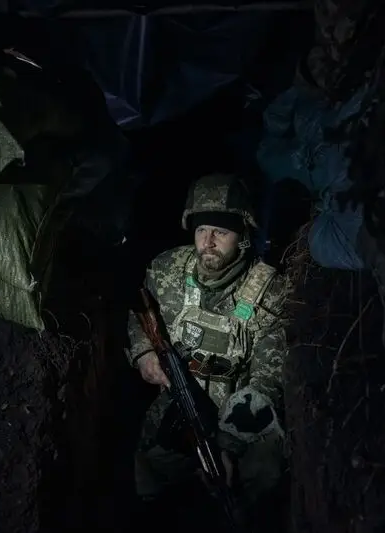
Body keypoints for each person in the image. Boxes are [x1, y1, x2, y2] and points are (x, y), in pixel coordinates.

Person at [126, 173, 290, 525]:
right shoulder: (168, 269)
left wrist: (227, 447)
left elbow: (268, 381)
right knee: (148, 472)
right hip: (178, 404)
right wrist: (144, 354)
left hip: (241, 415)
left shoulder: (269, 291)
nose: (209, 242)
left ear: (243, 235)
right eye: (202, 230)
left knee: (264, 472)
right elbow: (139, 315)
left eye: (221, 232)